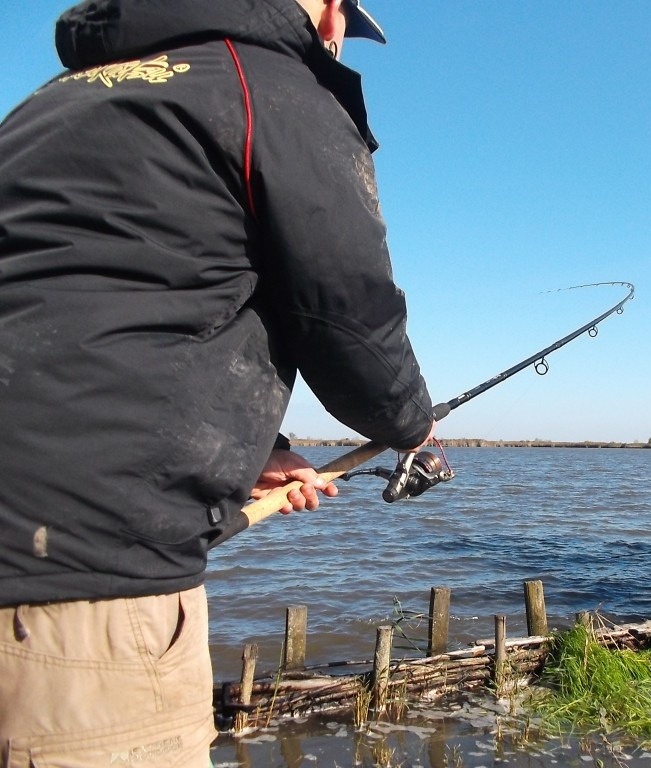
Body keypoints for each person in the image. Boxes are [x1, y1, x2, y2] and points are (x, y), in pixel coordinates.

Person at [0, 0, 435, 764]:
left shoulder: (51, 103)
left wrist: (252, 450)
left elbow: (79, 311)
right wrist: (410, 424)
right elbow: (350, 315)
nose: (336, 40)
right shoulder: (277, 87)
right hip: (77, 581)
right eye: (343, 22)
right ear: (329, 10)